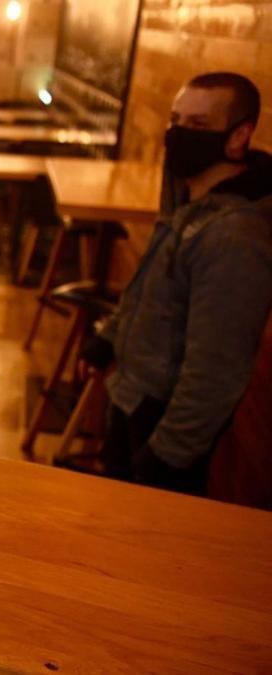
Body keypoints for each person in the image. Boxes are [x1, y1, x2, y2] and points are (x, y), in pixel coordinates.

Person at [78, 72, 272, 495]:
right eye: (175, 120)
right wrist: (109, 339)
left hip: (160, 424)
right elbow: (151, 285)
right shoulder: (187, 197)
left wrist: (168, 454)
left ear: (239, 136)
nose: (180, 135)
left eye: (198, 126)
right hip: (132, 400)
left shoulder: (234, 236)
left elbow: (217, 369)